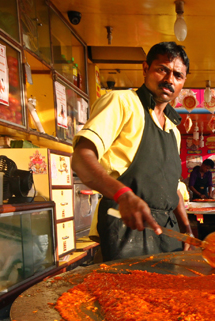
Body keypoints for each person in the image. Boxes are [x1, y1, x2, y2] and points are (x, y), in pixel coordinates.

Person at [72, 42, 192, 262]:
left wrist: (186, 228)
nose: (169, 80)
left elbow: (172, 186)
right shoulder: (122, 102)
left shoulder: (173, 129)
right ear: (146, 69)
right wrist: (122, 194)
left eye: (177, 75)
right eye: (162, 69)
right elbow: (81, 158)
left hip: (168, 234)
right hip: (126, 228)